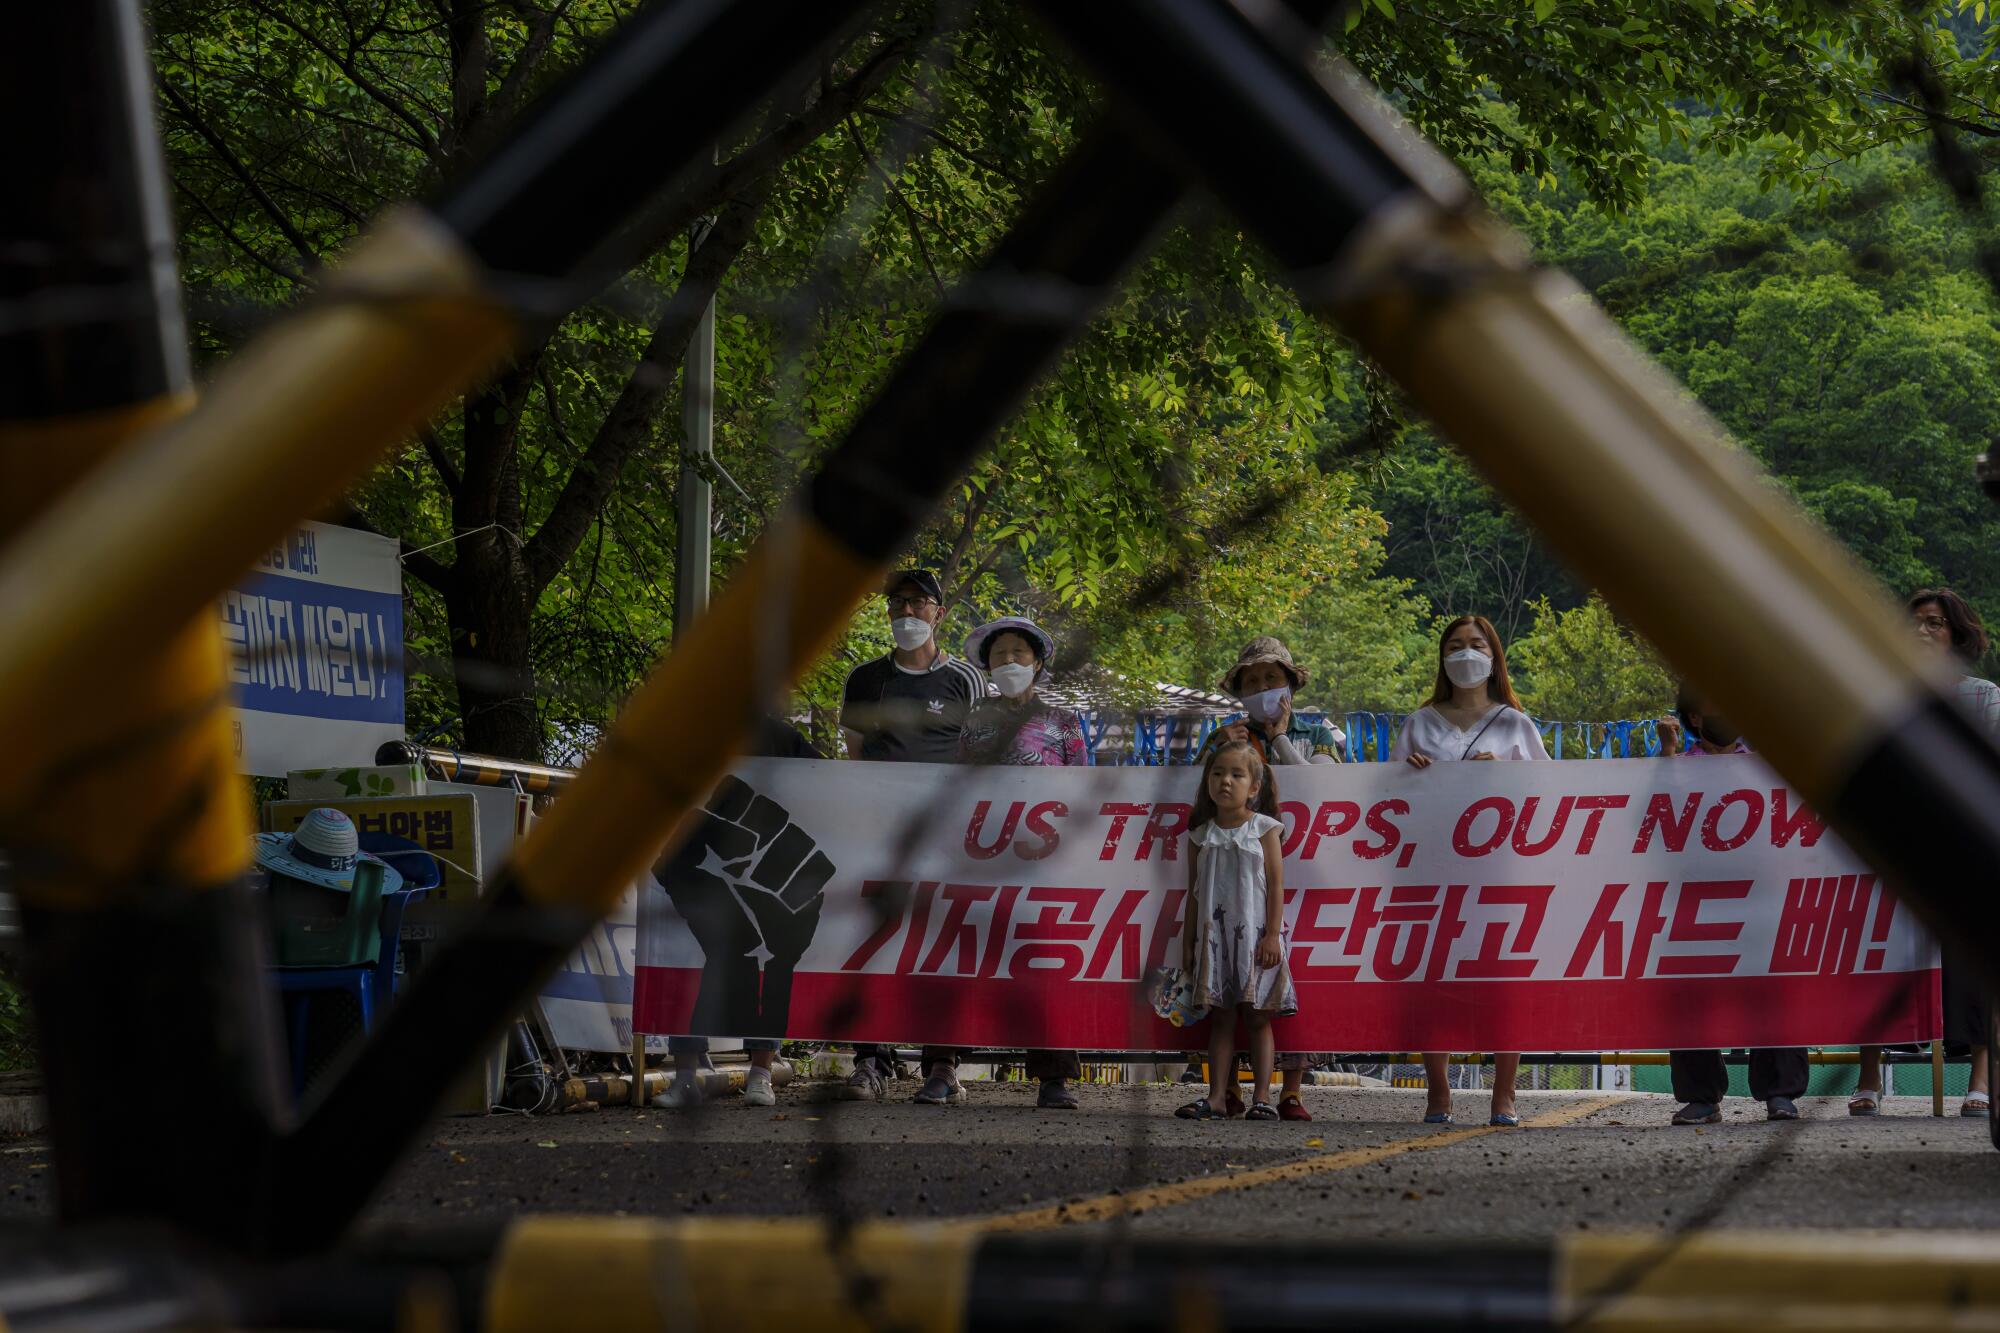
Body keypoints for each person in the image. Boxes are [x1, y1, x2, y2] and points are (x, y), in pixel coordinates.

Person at [1389, 614, 1547, 1126]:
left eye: (1476, 645)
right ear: (1441, 657)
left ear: (1494, 655)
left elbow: (1552, 797)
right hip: (1430, 873)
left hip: (1501, 873)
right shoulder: (1417, 723)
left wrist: (1504, 776)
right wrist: (1408, 776)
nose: (1465, 654)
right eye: (1454, 645)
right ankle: (1438, 1093)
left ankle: (1505, 1097)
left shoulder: (1517, 725)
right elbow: (1388, 800)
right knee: (1432, 979)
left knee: (1503, 983)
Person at [838, 568, 986, 1106]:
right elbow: (854, 755)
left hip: (946, 840)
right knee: (872, 945)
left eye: (919, 603)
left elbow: (978, 756)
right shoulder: (865, 680)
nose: (907, 613)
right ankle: (870, 1062)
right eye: (897, 603)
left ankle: (943, 1066)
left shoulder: (966, 680)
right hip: (878, 837)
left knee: (940, 947)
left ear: (939, 613)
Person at [1853, 588, 2000, 1118]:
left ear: (1957, 635)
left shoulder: (1983, 696)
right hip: (1895, 855)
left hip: (1964, 855)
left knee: (1974, 963)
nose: (1922, 631)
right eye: (1914, 622)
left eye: (1934, 623)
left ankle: (1980, 1082)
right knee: (1881, 956)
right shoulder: (1878, 694)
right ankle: (1867, 1079)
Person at [1192, 635, 1341, 1120]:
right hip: (1231, 878)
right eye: (1251, 681)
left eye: (1271, 678)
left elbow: (1327, 784)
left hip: (1309, 872)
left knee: (1281, 993)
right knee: (1230, 990)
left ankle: (1290, 1090)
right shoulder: (1223, 737)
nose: (1262, 687)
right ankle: (1228, 1090)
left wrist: (1277, 738)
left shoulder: (1319, 733)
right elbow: (1199, 787)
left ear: (1290, 684)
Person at [1655, 687, 1809, 1126]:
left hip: (1762, 893)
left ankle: (1780, 1092)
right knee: (1692, 995)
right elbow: (1659, 814)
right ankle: (1701, 1096)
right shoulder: (1677, 766)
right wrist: (1666, 755)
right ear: (1694, 717)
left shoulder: (1765, 764)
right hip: (1695, 897)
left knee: (1771, 991)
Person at [657, 716, 823, 1110]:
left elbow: (828, 779)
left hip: (763, 873)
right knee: (692, 958)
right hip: (692, 868)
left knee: (764, 957)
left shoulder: (779, 735)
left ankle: (761, 1073)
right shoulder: (686, 731)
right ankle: (684, 1078)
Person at [959, 615, 1089, 1109]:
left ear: (1037, 664)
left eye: (1019, 653)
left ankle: (1054, 1079)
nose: (1009, 661)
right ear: (988, 665)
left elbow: (1081, 789)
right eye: (1000, 655)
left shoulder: (1062, 721)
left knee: (1044, 963)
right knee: (964, 957)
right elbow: (958, 784)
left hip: (1044, 863)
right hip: (983, 858)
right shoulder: (976, 718)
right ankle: (943, 1068)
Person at [1173, 740, 1297, 1121]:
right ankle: (1215, 1097)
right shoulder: (1200, 835)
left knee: (1258, 1017)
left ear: (1254, 787)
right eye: (1217, 773)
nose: (1225, 781)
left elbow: (1276, 885)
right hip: (1215, 937)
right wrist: (1189, 939)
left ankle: (1262, 1098)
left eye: (1236, 774)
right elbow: (1194, 892)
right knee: (1222, 1018)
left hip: (1257, 937)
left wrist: (1272, 934)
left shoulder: (1264, 829)